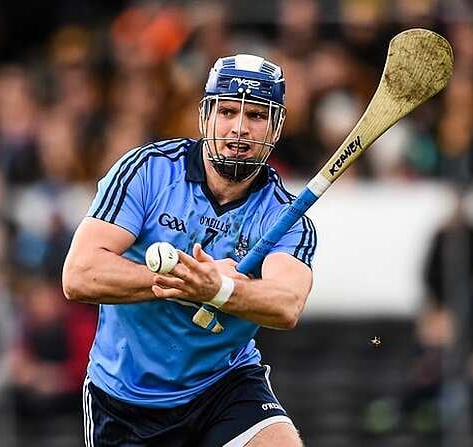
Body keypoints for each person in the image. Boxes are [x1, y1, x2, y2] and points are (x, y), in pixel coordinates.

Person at [62, 54, 317, 446]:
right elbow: (79, 275)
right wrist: (186, 281)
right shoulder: (147, 171)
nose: (239, 129)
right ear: (206, 115)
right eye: (229, 112)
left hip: (222, 385)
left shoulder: (285, 216)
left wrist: (218, 290)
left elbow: (286, 304)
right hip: (125, 399)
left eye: (256, 116)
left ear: (277, 126)